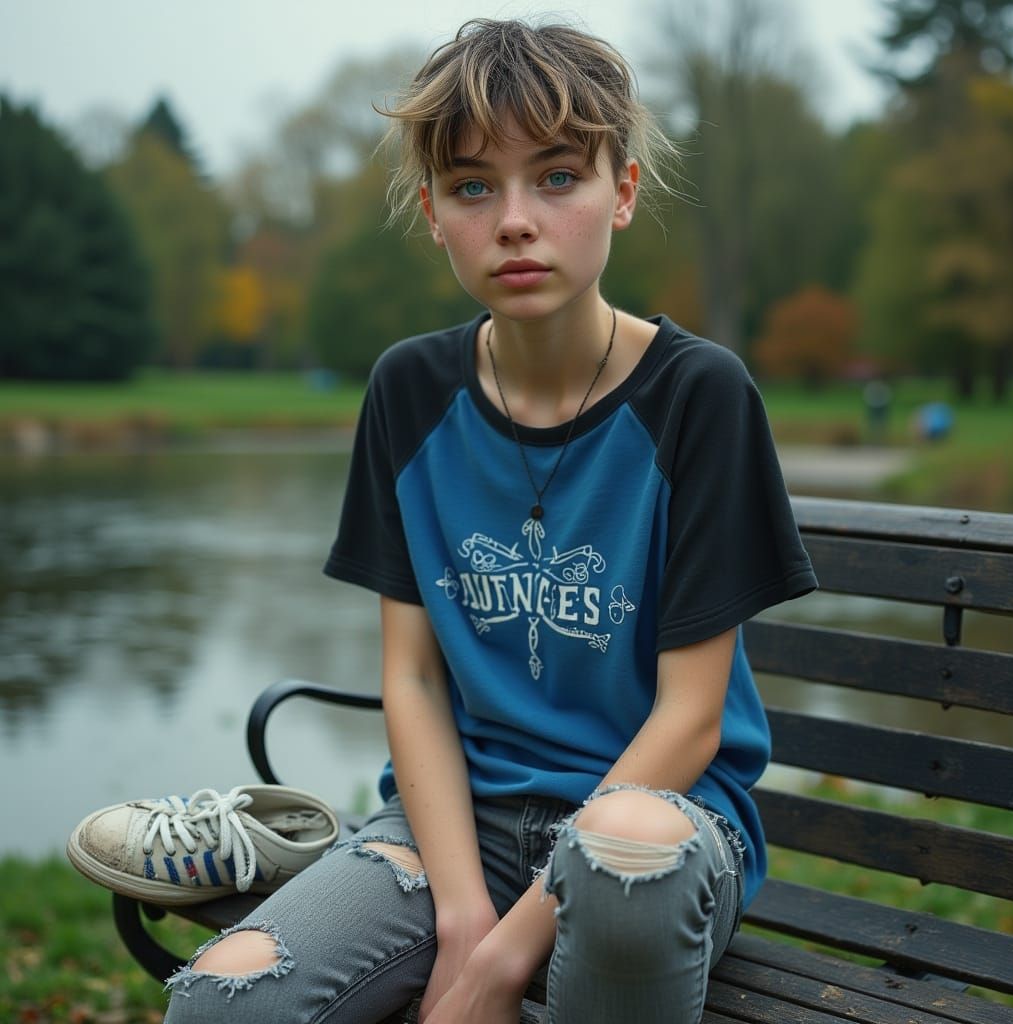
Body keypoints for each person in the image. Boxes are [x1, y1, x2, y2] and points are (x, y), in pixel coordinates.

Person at [163, 17, 816, 1024]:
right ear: (433, 212)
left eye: (557, 177)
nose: (515, 219)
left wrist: (507, 956)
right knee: (223, 1002)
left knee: (623, 858)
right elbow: (414, 674)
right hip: (450, 828)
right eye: (473, 186)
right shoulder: (409, 390)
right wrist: (465, 915)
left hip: (660, 829)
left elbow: (691, 714)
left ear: (623, 191)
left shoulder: (699, 398)